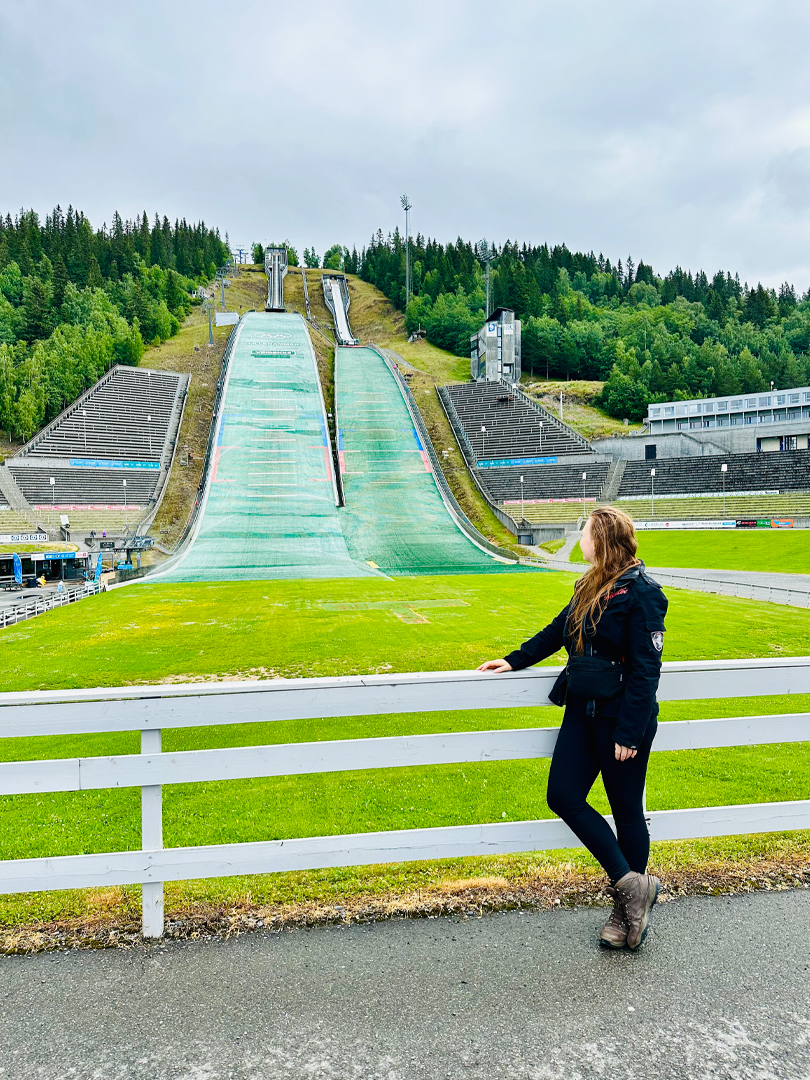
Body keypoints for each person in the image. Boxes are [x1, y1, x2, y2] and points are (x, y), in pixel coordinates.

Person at [478, 505, 668, 950]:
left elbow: (646, 670)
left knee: (625, 811)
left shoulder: (643, 593)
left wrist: (629, 732)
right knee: (562, 795)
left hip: (621, 718)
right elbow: (558, 630)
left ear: (600, 540)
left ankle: (626, 916)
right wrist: (514, 659)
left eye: (584, 532)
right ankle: (633, 886)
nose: (580, 538)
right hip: (581, 709)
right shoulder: (590, 584)